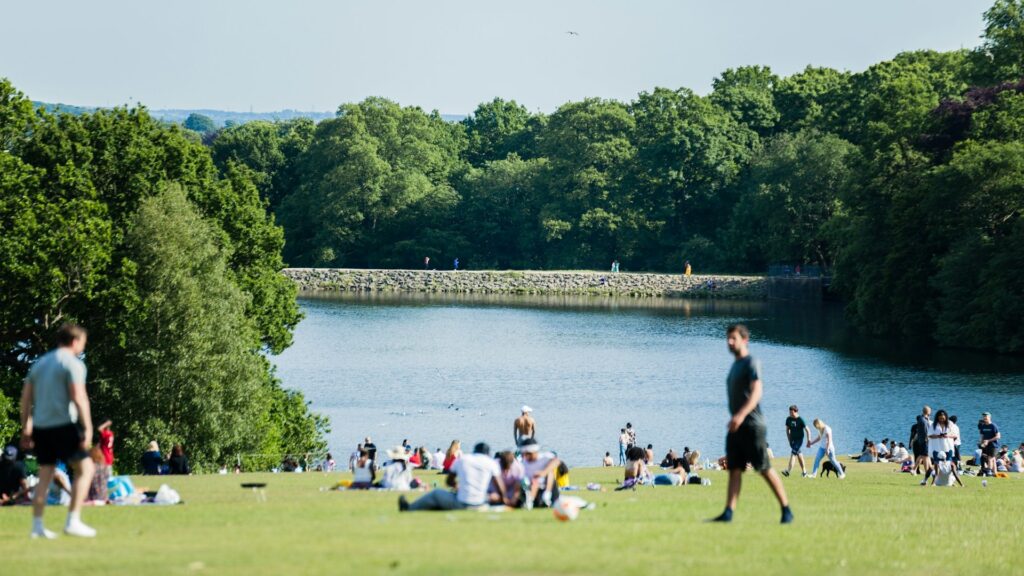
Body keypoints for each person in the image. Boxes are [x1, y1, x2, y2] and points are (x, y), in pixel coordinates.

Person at [19, 323, 97, 538]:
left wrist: (26, 427)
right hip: (62, 425)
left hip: (41, 428)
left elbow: (25, 398)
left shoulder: (40, 363)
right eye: (83, 343)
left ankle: (37, 527)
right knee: (86, 469)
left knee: (44, 475)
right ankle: (73, 521)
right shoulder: (73, 364)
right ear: (75, 341)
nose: (83, 347)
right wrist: (88, 428)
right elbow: (79, 397)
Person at [710, 324, 792, 524]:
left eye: (734, 338)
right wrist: (735, 418)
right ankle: (728, 512)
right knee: (734, 469)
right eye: (728, 339)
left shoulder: (751, 362)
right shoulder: (735, 365)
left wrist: (741, 415)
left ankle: (786, 509)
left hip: (752, 424)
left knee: (763, 467)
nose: (729, 342)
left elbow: (756, 392)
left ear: (744, 340)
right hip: (736, 425)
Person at [400, 442, 508, 511]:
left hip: (462, 503)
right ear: (488, 453)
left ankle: (410, 508)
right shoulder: (491, 463)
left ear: (474, 451)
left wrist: (457, 486)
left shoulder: (464, 459)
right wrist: (504, 501)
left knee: (436, 493)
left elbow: (449, 481)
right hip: (481, 503)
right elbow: (500, 487)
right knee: (492, 495)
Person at [519, 439, 561, 509]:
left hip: (548, 487)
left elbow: (557, 461)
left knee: (549, 473)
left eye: (529, 454)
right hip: (533, 489)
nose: (527, 456)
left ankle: (547, 496)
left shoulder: (544, 457)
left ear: (535, 451)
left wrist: (543, 473)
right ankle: (529, 501)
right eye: (525, 454)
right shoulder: (523, 463)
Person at [923, 410, 955, 485]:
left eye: (943, 418)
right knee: (935, 465)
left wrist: (947, 436)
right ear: (937, 418)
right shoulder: (933, 425)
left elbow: (955, 435)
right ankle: (927, 480)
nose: (941, 419)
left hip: (948, 447)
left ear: (946, 417)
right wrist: (938, 436)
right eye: (940, 418)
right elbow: (929, 435)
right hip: (936, 447)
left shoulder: (950, 424)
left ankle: (951, 481)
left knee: (949, 465)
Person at [782, 405, 811, 477]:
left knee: (793, 454)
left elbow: (808, 430)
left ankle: (788, 471)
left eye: (792, 413)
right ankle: (804, 472)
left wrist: (809, 440)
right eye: (789, 412)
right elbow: (787, 430)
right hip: (792, 440)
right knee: (799, 454)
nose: (790, 414)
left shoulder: (800, 419)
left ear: (796, 412)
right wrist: (789, 440)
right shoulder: (788, 419)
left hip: (799, 440)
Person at [978, 412, 1000, 476]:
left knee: (990, 458)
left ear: (989, 417)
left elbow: (998, 436)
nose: (985, 418)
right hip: (985, 445)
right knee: (992, 459)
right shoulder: (983, 426)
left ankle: (989, 471)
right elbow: (982, 435)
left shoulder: (993, 425)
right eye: (984, 416)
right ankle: (995, 473)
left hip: (993, 445)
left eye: (986, 416)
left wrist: (988, 440)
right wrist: (981, 443)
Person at [912, 406, 932, 475]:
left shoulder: (922, 419)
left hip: (921, 440)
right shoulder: (924, 420)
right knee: (925, 456)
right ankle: (927, 471)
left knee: (922, 455)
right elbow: (926, 432)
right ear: (928, 411)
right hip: (925, 441)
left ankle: (914, 469)